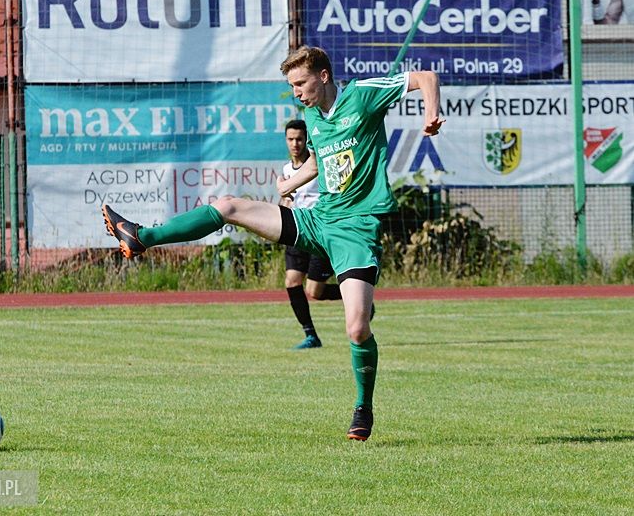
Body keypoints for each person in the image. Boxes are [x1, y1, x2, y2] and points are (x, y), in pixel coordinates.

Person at [102, 46, 444, 441]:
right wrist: (291, 183)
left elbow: (425, 78)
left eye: (301, 83)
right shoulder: (314, 117)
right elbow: (321, 163)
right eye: (292, 86)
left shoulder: (362, 95)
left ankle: (363, 406)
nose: (297, 92)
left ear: (324, 76)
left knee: (356, 329)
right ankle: (142, 236)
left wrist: (430, 112)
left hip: (355, 229)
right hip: (317, 220)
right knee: (229, 205)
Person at [280, 119, 342, 350]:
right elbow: (287, 200)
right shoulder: (287, 170)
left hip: (320, 232)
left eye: (299, 139)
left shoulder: (320, 165)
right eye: (290, 139)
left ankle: (354, 293)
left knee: (314, 291)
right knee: (292, 282)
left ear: (307, 140)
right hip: (298, 232)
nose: (295, 144)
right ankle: (311, 336)